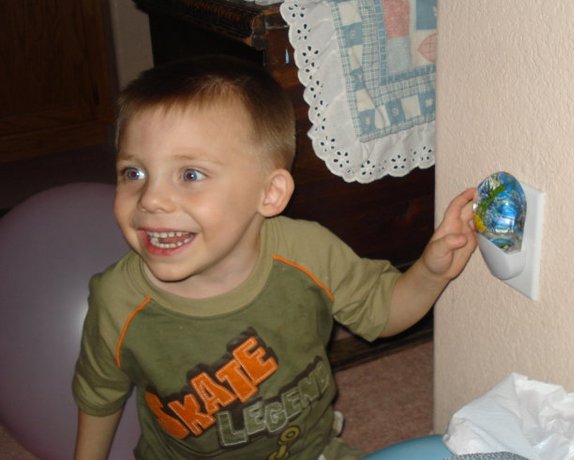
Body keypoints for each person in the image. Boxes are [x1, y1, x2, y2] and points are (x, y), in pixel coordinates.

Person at [72, 55, 477, 460]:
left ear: (269, 194)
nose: (151, 199)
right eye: (134, 173)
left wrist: (429, 272)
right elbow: (99, 396)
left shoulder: (308, 252)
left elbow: (383, 311)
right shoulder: (118, 301)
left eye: (190, 174)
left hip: (308, 451)